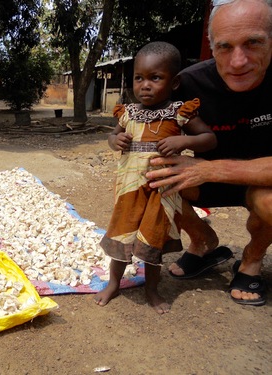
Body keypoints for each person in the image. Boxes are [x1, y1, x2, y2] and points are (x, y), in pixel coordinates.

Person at [146, 0, 272, 306]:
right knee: (151, 174)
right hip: (203, 180)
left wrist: (209, 169)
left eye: (253, 43)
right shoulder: (187, 83)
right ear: (212, 47)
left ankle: (252, 259)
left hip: (260, 182)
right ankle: (202, 241)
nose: (238, 61)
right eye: (225, 47)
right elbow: (150, 128)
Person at [93, 41, 217, 314]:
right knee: (122, 234)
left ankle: (151, 289)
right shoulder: (128, 113)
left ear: (174, 83)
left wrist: (181, 141)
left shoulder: (179, 112)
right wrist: (116, 140)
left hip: (162, 191)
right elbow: (111, 136)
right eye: (139, 78)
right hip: (129, 188)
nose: (145, 85)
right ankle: (114, 282)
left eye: (155, 78)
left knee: (153, 238)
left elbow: (209, 139)